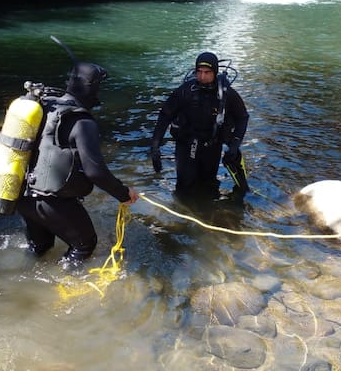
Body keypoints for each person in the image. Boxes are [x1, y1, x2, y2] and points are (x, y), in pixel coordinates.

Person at [18, 61, 138, 268]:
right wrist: (124, 194)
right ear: (91, 87)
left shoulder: (46, 106)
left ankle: (22, 285)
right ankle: (63, 291)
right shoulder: (82, 122)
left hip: (23, 196)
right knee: (84, 245)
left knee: (40, 247)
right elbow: (95, 172)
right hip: (52, 201)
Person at [149, 52, 249, 201]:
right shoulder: (185, 91)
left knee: (209, 185)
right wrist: (155, 146)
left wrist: (235, 144)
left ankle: (207, 214)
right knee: (184, 185)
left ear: (215, 73)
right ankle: (182, 217)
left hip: (212, 145)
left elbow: (243, 117)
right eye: (199, 72)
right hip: (187, 142)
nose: (202, 76)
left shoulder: (227, 95)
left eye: (207, 72)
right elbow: (165, 115)